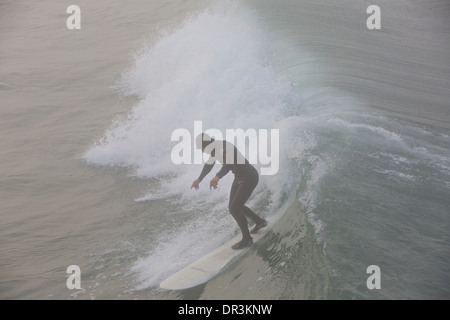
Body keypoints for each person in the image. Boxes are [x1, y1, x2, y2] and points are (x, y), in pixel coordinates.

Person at [191, 133, 268, 249]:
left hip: (249, 177)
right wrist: (199, 179)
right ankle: (260, 222)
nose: (202, 151)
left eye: (202, 148)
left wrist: (217, 176)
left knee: (234, 208)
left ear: (206, 144)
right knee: (235, 207)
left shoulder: (224, 146)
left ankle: (247, 239)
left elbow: (229, 163)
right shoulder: (214, 149)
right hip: (239, 177)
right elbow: (209, 165)